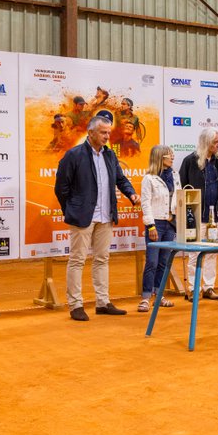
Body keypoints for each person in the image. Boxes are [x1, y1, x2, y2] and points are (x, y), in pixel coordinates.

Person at [54, 115, 139, 321]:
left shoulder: (110, 156)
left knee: (102, 259)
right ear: (90, 132)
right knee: (77, 260)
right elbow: (61, 188)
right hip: (82, 217)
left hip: (106, 215)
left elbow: (120, 179)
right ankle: (75, 305)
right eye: (103, 132)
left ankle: (103, 302)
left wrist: (131, 193)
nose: (107, 136)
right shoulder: (73, 155)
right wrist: (72, 210)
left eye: (109, 132)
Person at [178, 127, 218, 301]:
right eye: (215, 142)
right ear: (206, 142)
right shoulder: (190, 161)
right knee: (194, 253)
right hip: (196, 216)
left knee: (212, 252)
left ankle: (209, 287)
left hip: (215, 216)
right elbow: (184, 187)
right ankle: (193, 289)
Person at [138, 144, 177, 312]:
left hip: (170, 224)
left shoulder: (175, 176)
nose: (172, 158)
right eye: (169, 155)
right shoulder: (149, 179)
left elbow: (178, 198)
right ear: (161, 158)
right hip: (155, 224)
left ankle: (159, 295)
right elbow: (145, 203)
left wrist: (175, 216)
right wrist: (151, 225)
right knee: (152, 262)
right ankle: (146, 298)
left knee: (164, 262)